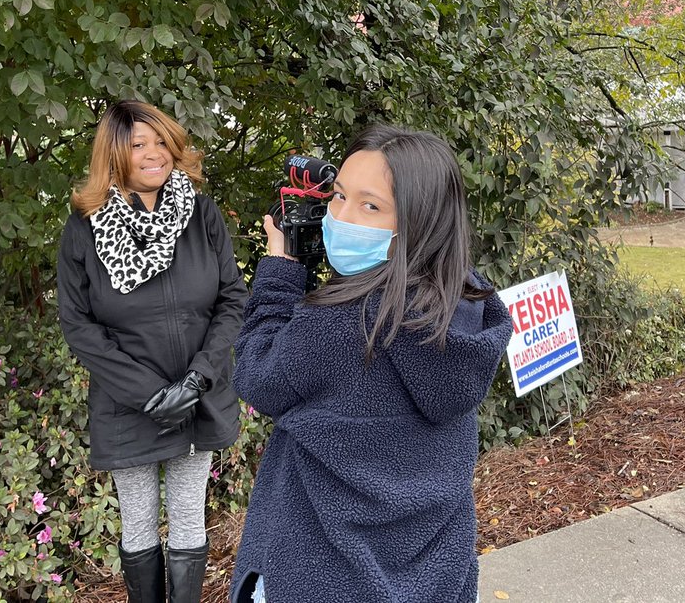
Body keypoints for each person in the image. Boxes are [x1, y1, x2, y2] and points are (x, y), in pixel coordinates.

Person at [230, 124, 513, 603]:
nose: (340, 216)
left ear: (422, 222)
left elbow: (258, 375)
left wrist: (279, 275)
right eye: (338, 196)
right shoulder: (465, 303)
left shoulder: (340, 324)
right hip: (434, 577)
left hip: (321, 574)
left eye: (371, 205)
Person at [57, 100, 248, 603]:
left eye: (161, 141)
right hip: (128, 403)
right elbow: (78, 324)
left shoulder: (201, 213)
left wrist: (196, 381)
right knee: (138, 523)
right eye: (138, 144)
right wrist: (150, 394)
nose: (154, 153)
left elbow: (232, 300)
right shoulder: (84, 227)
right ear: (115, 155)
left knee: (188, 518)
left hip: (197, 395)